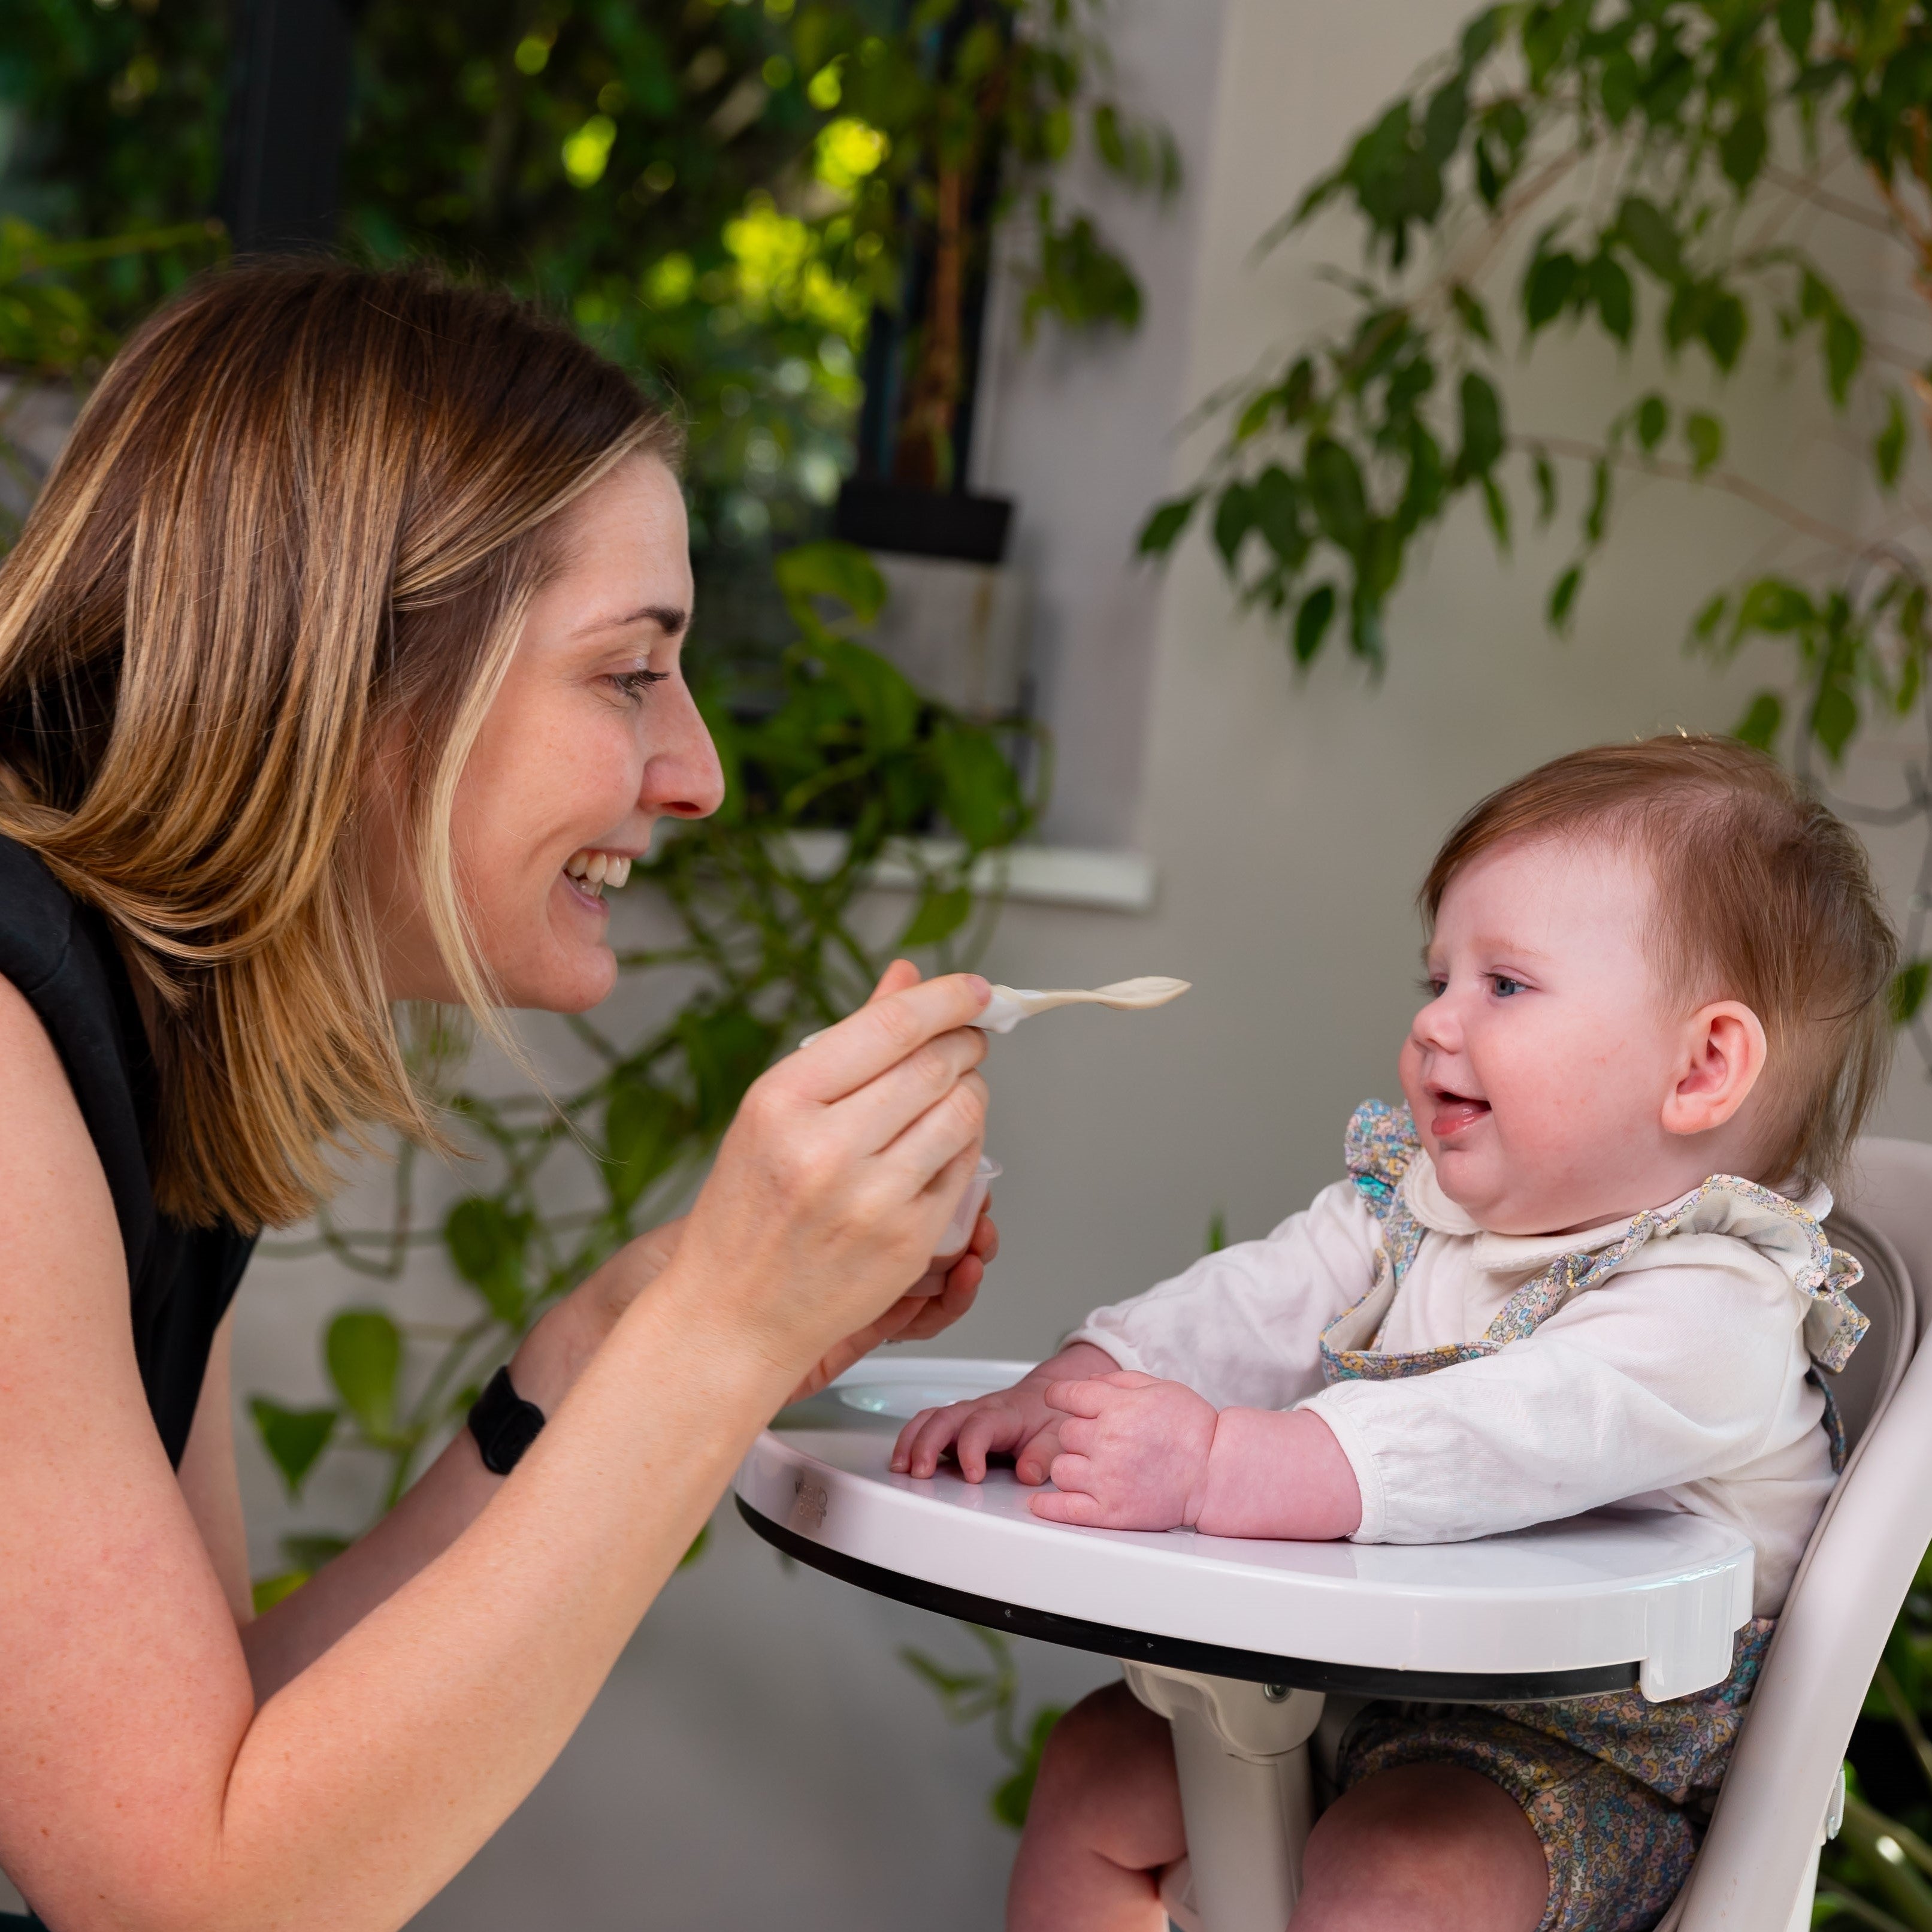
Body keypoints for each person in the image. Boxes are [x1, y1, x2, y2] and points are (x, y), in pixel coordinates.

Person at [0, 258, 998, 1931]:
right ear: (359, 677)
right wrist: (719, 1346)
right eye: (629, 673)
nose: (698, 774)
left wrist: (592, 1367)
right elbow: (187, 1899)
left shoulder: (131, 1036)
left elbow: (196, 1763)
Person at [893, 736, 1894, 1932]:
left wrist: (1229, 1462)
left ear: (1700, 1066)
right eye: (1436, 981)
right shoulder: (1414, 1210)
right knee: (1098, 1764)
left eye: (1503, 985)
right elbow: (1253, 1298)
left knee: (1395, 1877)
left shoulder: (1714, 1303)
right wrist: (1077, 1383)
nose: (1433, 1026)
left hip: (1586, 1779)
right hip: (1349, 1702)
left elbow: (1507, 1431)